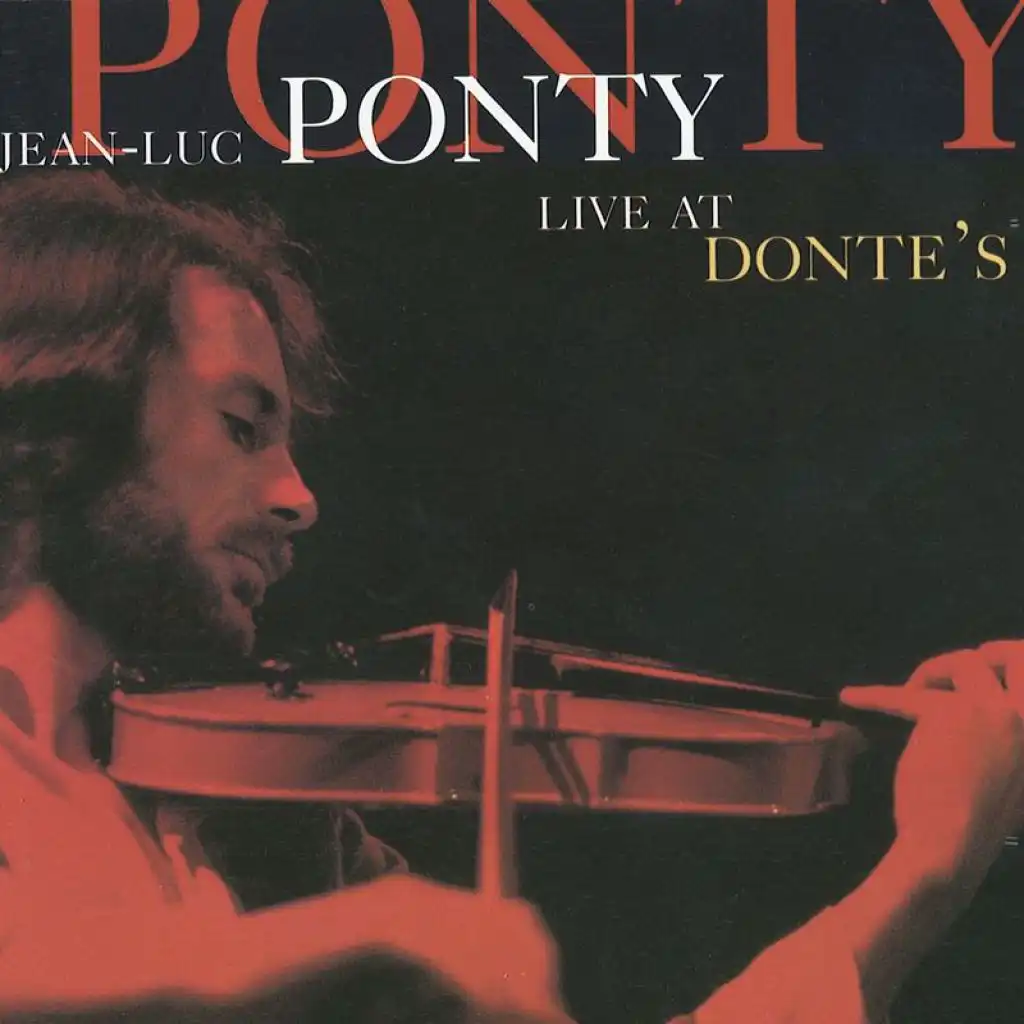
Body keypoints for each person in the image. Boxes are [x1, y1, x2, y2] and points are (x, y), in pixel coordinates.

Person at [0, 170, 1020, 1024]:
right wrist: (336, 944)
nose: (299, 497)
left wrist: (926, 873)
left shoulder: (265, 833)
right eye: (241, 426)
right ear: (58, 417)